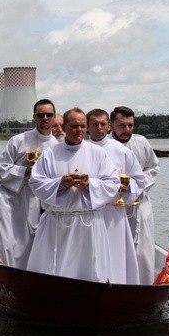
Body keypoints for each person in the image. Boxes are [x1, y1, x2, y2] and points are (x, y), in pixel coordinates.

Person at [26, 108, 120, 282]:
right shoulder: (50, 153)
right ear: (65, 126)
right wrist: (60, 184)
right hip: (57, 222)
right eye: (74, 126)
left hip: (89, 223)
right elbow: (35, 182)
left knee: (89, 272)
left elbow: (113, 183)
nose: (79, 130)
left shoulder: (98, 153)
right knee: (54, 273)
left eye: (83, 126)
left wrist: (90, 184)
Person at [0, 99, 59, 269]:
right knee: (6, 241)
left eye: (49, 115)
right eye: (41, 115)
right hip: (7, 198)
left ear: (54, 117)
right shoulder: (18, 140)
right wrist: (25, 171)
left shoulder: (57, 147)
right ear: (34, 117)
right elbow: (0, 168)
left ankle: (26, 274)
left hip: (34, 198)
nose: (45, 118)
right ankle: (3, 272)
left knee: (28, 242)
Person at [87, 108, 145, 284]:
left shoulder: (122, 151)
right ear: (87, 127)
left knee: (116, 252)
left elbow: (139, 180)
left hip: (113, 212)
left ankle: (118, 284)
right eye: (94, 124)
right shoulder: (81, 149)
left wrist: (126, 186)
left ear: (109, 126)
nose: (99, 128)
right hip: (87, 211)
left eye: (103, 124)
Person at [110, 106, 160, 285]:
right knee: (115, 247)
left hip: (139, 204)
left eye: (130, 125)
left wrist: (137, 186)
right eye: (122, 126)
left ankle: (143, 285)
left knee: (142, 250)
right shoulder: (103, 145)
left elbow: (153, 167)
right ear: (111, 125)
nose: (127, 130)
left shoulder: (141, 142)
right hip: (112, 206)